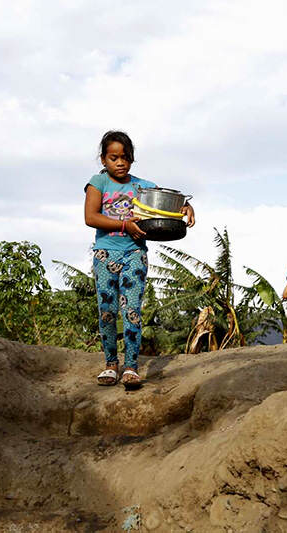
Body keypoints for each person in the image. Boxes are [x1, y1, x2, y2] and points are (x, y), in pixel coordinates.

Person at [84, 130, 195, 388]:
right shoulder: (97, 183)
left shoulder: (142, 186)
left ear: (132, 159)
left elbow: (168, 205)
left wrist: (186, 208)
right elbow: (90, 217)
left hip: (135, 253)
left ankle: (131, 367)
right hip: (105, 252)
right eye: (114, 158)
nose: (120, 163)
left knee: (131, 310)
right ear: (103, 160)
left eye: (125, 157)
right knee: (108, 312)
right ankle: (111, 364)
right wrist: (124, 225)